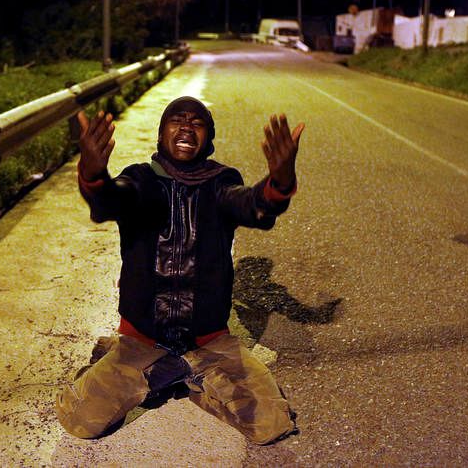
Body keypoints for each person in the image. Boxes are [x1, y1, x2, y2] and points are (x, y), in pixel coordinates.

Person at [55, 96, 305, 445]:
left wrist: (279, 181)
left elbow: (254, 206)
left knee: (272, 425)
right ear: (161, 135)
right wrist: (94, 174)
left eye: (197, 122)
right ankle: (155, 368)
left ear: (208, 140)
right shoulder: (140, 179)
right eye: (177, 120)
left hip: (209, 343)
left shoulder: (221, 182)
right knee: (79, 420)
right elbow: (110, 199)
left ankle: (181, 374)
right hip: (142, 339)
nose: (187, 126)